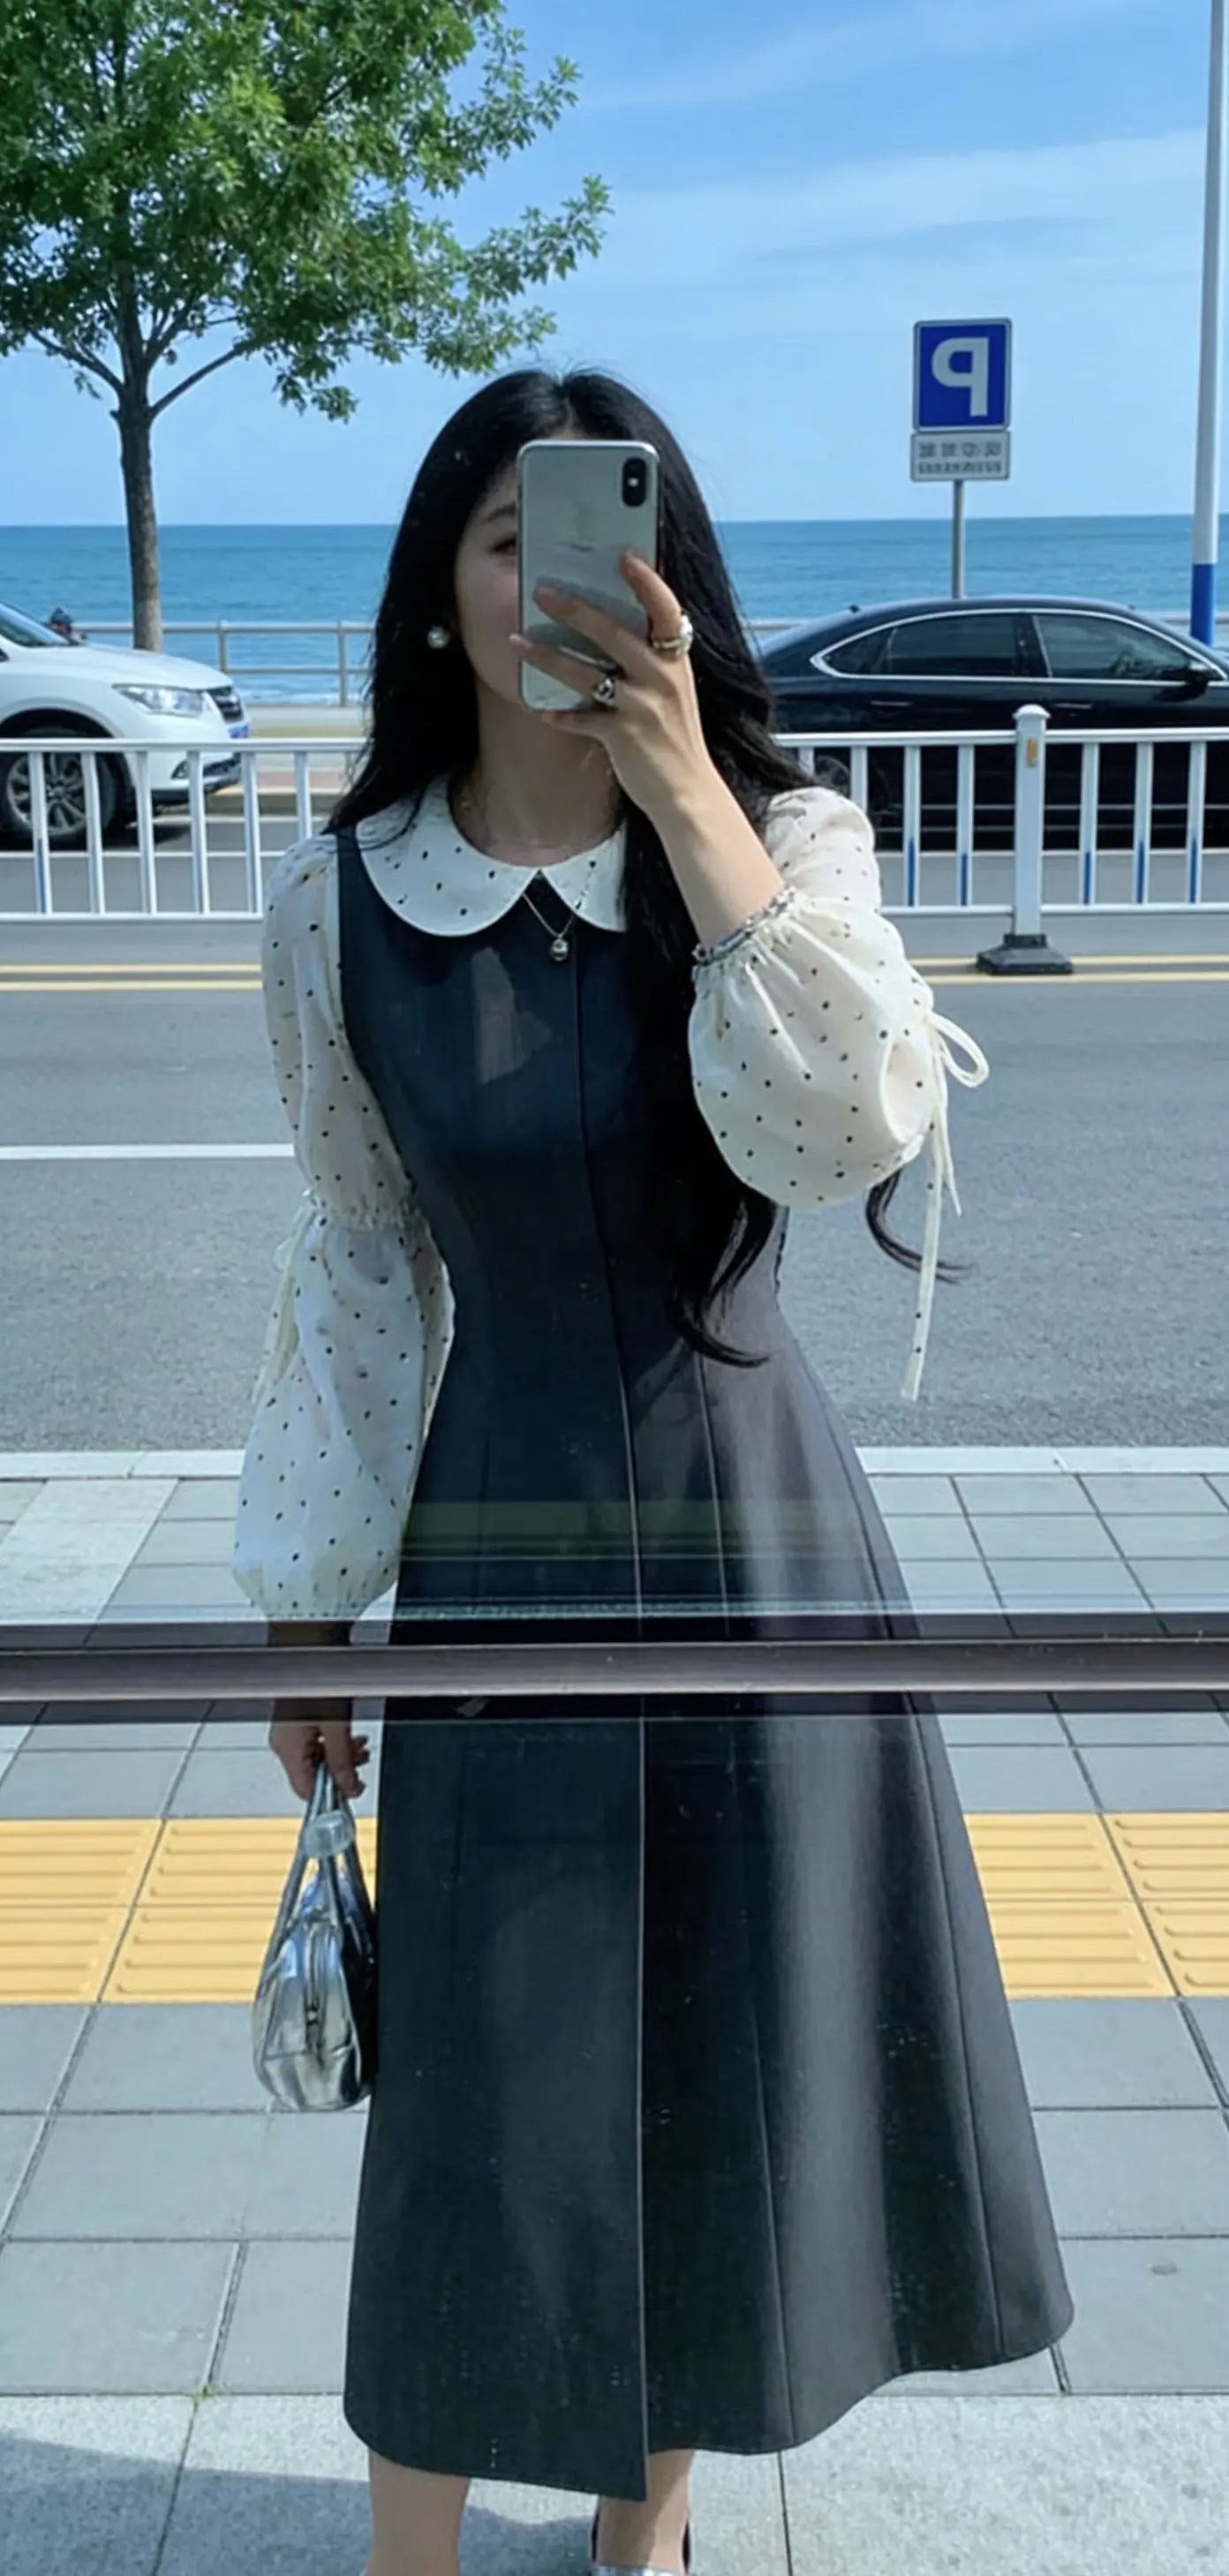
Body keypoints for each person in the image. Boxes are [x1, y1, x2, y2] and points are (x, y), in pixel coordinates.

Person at [232, 366, 1072, 2576]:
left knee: (711, 2034)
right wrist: (306, 1608)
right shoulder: (338, 905)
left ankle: (647, 2535)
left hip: (752, 1529)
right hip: (495, 1537)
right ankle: (414, 2547)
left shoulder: (786, 849)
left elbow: (852, 1123)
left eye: (605, 540)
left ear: (674, 585)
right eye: (509, 538)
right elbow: (356, 1256)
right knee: (478, 2086)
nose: (556, 582)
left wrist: (688, 786)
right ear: (437, 593)